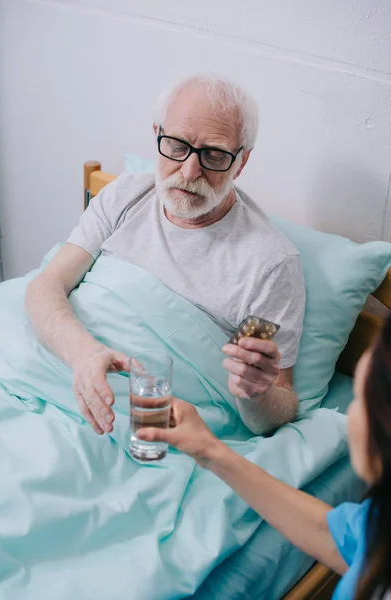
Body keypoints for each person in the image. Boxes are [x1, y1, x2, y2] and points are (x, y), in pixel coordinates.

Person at [25, 75, 305, 438]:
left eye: (214, 155)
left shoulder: (268, 264)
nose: (190, 172)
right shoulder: (126, 195)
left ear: (242, 161)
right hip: (56, 372)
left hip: (149, 427)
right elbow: (47, 285)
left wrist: (257, 393)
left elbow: (273, 407)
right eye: (176, 146)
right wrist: (83, 355)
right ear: (157, 134)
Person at [137, 314, 391, 600]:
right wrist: (209, 450)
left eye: (360, 398)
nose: (352, 413)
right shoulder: (379, 521)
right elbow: (334, 537)